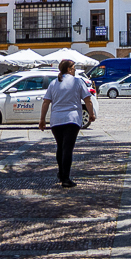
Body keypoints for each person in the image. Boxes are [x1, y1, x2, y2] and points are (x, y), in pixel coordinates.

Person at [37, 57, 96, 188]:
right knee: (67, 148)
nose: (75, 70)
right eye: (74, 68)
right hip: (72, 119)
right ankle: (66, 178)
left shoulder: (54, 83)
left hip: (56, 120)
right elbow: (88, 100)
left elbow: (46, 102)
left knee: (60, 147)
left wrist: (42, 119)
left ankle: (61, 173)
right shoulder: (77, 82)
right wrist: (91, 114)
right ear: (69, 69)